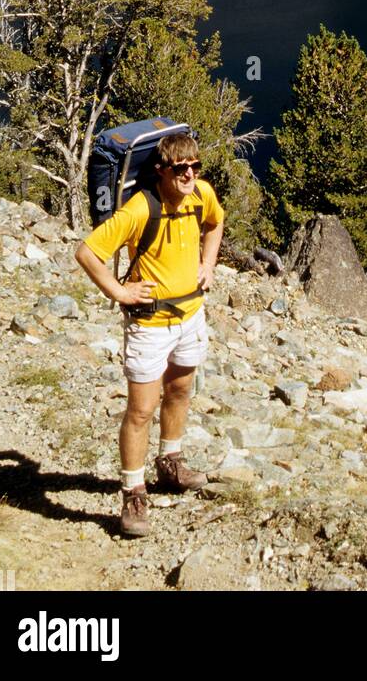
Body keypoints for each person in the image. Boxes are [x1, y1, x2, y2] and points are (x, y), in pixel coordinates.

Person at [75, 133, 224, 537]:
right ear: (161, 170)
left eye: (195, 166)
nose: (189, 174)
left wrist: (208, 264)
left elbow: (215, 222)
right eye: (180, 169)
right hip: (149, 325)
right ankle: (133, 493)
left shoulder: (202, 195)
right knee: (141, 410)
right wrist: (121, 292)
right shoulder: (141, 208)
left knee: (179, 391)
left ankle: (170, 464)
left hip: (192, 315)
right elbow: (87, 253)